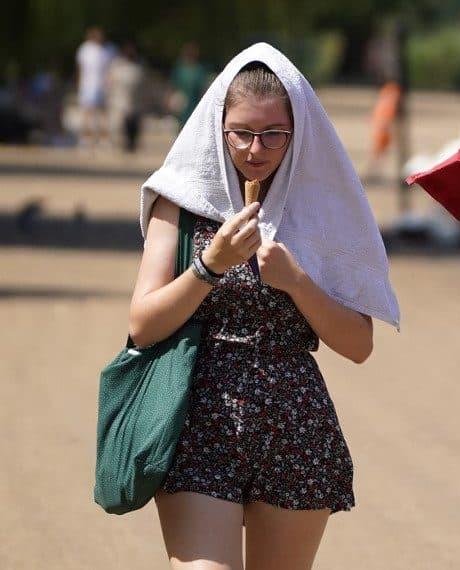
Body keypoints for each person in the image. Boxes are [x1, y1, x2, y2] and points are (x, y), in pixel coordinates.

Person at [129, 43, 399, 569]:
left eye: (274, 135)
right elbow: (142, 325)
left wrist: (297, 282)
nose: (256, 149)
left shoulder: (318, 211)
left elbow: (359, 345)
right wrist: (211, 263)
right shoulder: (181, 199)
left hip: (295, 422)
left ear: (298, 133)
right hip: (197, 416)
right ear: (217, 126)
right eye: (242, 133)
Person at [76, 27, 112, 148]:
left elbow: (106, 70)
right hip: (89, 85)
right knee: (88, 113)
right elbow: (81, 69)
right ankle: (87, 138)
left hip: (98, 86)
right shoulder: (86, 49)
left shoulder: (102, 51)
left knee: (100, 113)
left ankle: (101, 139)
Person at [106, 41, 145, 153]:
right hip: (120, 101)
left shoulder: (138, 68)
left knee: (133, 126)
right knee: (120, 126)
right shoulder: (117, 66)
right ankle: (121, 145)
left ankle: (131, 146)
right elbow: (110, 82)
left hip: (134, 103)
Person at [169, 42, 208, 129]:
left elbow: (202, 88)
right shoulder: (180, 68)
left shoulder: (199, 69)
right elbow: (173, 85)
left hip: (194, 103)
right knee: (181, 126)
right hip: (181, 104)